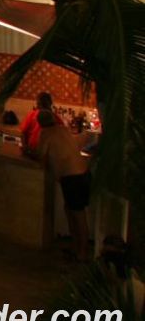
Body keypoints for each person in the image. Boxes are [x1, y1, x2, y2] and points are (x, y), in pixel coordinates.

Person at [37, 109, 92, 262]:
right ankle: (76, 247)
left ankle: (82, 253)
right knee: (71, 211)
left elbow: (41, 155)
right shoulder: (63, 129)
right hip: (82, 174)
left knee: (77, 215)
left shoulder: (46, 133)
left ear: (40, 123)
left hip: (72, 177)